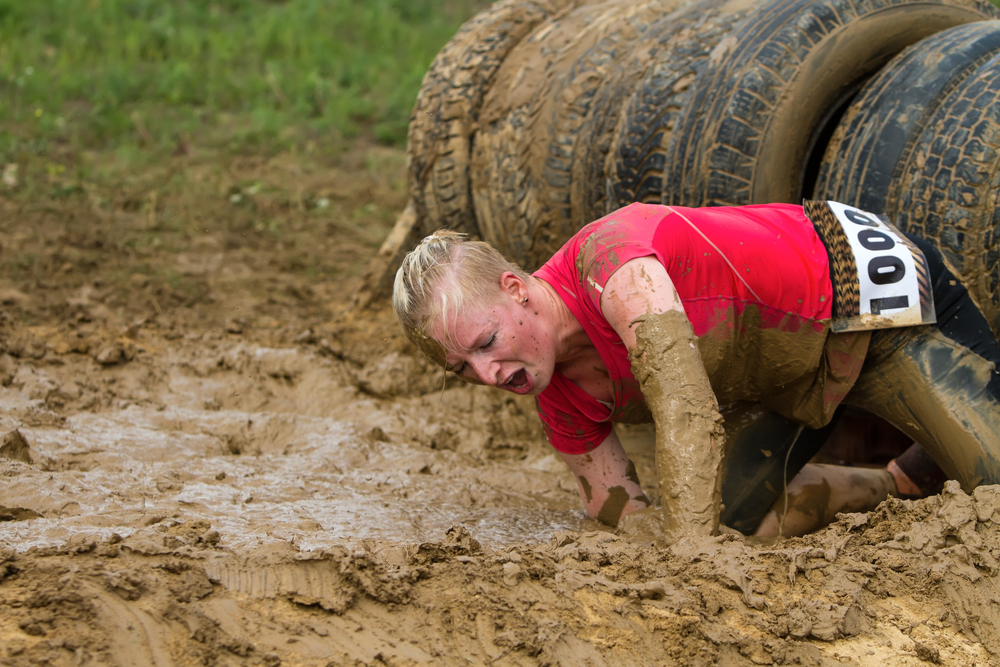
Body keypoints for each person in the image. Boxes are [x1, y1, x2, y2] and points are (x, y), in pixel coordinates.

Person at [392, 201, 1000, 537]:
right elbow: (621, 514)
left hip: (869, 310)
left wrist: (690, 569)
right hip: (780, 381)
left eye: (487, 341)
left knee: (995, 487)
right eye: (463, 367)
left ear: (515, 288)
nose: (489, 373)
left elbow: (685, 413)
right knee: (747, 528)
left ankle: (944, 447)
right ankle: (905, 481)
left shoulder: (613, 264)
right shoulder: (557, 396)